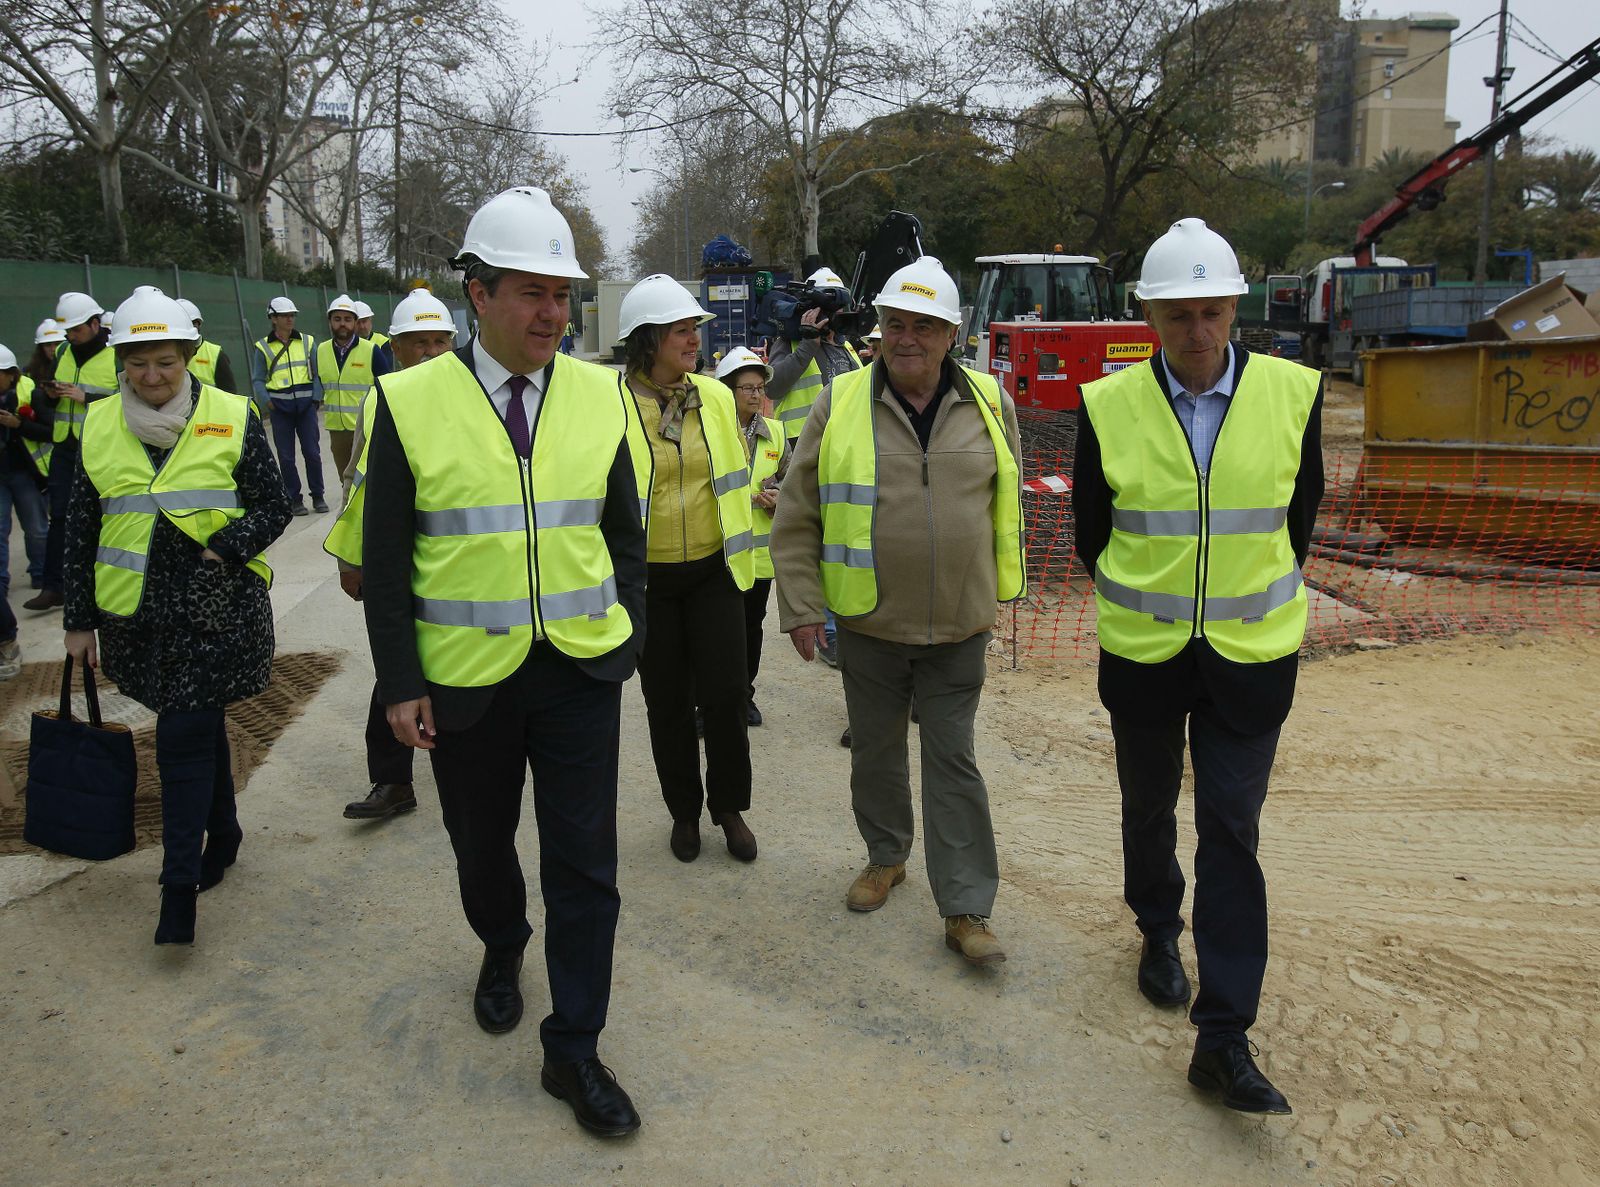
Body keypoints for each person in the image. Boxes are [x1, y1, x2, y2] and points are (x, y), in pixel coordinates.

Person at [362, 186, 647, 1138]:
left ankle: (574, 1048)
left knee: (585, 866)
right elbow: (388, 556)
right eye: (531, 294)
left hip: (577, 673)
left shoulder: (602, 394)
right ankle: (500, 942)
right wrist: (400, 680)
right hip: (464, 681)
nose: (552, 316)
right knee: (481, 850)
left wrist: (629, 632)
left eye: (563, 297)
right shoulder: (407, 401)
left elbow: (624, 534)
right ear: (476, 294)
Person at [1072, 218, 1324, 1115]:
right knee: (1147, 806)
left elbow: (1299, 521)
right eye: (1178, 314)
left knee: (1231, 833)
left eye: (1212, 312)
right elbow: (1090, 534)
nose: (1196, 330)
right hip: (1145, 656)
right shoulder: (1108, 405)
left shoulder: (1294, 394)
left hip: (1250, 662)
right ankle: (1154, 929)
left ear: (1235, 312)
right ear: (1149, 316)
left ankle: (1224, 1038)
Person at [771, 255, 1026, 968]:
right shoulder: (841, 400)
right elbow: (798, 510)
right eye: (894, 323)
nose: (906, 337)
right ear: (877, 329)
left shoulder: (989, 401)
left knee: (954, 762)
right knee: (877, 753)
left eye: (923, 325)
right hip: (868, 622)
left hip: (958, 625)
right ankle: (886, 856)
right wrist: (800, 603)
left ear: (951, 333)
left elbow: (1003, 499)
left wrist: (1000, 589)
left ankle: (967, 906)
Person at [62, 289, 291, 944]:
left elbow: (271, 507)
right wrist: (79, 619)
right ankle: (224, 834)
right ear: (121, 364)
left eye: (165, 362)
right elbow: (80, 529)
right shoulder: (100, 425)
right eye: (139, 364)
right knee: (192, 724)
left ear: (187, 357)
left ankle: (178, 885)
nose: (153, 377)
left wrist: (229, 545)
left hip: (217, 609)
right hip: (136, 615)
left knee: (182, 736)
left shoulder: (230, 413)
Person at [619, 275, 758, 865]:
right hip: (649, 580)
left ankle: (729, 808)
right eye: (681, 330)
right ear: (648, 340)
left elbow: (734, 471)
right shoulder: (612, 401)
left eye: (694, 329)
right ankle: (683, 811)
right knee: (667, 702)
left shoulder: (716, 396)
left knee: (726, 695)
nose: (694, 340)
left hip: (713, 569)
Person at [324, 288, 456, 822]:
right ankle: (392, 780)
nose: (429, 352)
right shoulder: (380, 400)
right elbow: (358, 487)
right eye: (417, 343)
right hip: (396, 558)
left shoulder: (480, 397)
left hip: (457, 561)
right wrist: (350, 559)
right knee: (396, 668)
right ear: (394, 348)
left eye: (438, 342)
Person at [768, 267, 864, 671]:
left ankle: (845, 621)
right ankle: (827, 629)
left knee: (842, 542)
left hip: (845, 458)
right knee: (811, 542)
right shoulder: (789, 343)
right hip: (802, 455)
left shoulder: (850, 351)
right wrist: (805, 343)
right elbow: (774, 386)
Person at [26, 292, 117, 613]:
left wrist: (86, 396)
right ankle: (53, 586)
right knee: (60, 517)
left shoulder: (115, 353)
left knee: (105, 516)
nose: (70, 336)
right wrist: (50, 394)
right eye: (68, 331)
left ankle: (102, 584)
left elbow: (126, 399)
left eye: (76, 329)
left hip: (100, 446)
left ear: (95, 324)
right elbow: (44, 401)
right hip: (65, 445)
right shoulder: (63, 350)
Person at [714, 345, 787, 727]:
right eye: (747, 388)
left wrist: (780, 497)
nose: (757, 395)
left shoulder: (774, 432)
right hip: (717, 551)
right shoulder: (711, 431)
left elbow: (792, 481)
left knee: (749, 627)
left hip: (757, 558)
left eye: (760, 388)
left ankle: (744, 696)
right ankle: (708, 703)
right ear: (728, 390)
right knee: (714, 631)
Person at [251, 296, 324, 516]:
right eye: (285, 315)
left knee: (312, 453)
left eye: (292, 315)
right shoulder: (262, 347)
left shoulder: (308, 342)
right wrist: (269, 403)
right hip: (280, 410)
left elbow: (318, 372)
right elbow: (258, 379)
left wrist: (315, 399)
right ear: (273, 319)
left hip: (305, 408)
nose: (290, 319)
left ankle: (318, 496)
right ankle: (295, 499)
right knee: (286, 456)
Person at [315, 293, 389, 478]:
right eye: (337, 319)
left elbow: (386, 387)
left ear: (355, 322)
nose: (342, 324)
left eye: (348, 319)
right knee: (345, 479)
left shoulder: (372, 351)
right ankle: (349, 507)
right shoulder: (321, 350)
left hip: (365, 427)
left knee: (370, 476)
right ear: (330, 321)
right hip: (337, 430)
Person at [0, 344, 52, 607]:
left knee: (36, 528)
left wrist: (18, 424)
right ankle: (1, 583)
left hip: (26, 473)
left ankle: (40, 574)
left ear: (10, 374)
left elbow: (48, 429)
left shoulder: (29, 390)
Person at [177, 299, 239, 395]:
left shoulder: (215, 354)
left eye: (193, 323)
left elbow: (230, 393)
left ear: (199, 325)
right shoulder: (163, 353)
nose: (190, 328)